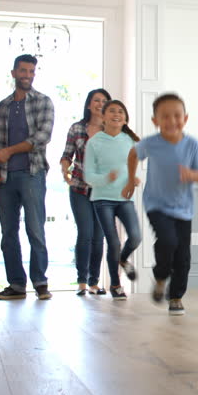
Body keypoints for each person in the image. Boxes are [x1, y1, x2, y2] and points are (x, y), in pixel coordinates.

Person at [125, 93, 198, 316]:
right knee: (168, 240)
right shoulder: (151, 143)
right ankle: (161, 277)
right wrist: (131, 179)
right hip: (156, 204)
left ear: (185, 118)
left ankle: (176, 296)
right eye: (165, 116)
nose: (171, 121)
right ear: (155, 121)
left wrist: (191, 174)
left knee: (183, 258)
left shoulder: (192, 145)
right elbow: (133, 155)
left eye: (177, 116)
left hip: (184, 209)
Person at [0, 54, 55, 300]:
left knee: (35, 229)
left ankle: (40, 283)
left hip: (32, 173)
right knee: (8, 233)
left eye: (31, 71)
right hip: (5, 178)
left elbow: (42, 137)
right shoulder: (3, 106)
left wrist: (10, 151)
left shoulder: (43, 102)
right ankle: (16, 285)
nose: (27, 75)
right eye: (23, 71)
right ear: (14, 73)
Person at [83, 100, 142, 301]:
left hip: (124, 198)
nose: (116, 114)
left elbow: (133, 168)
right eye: (112, 111)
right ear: (104, 116)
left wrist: (134, 179)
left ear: (125, 118)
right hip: (102, 199)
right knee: (114, 242)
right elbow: (88, 176)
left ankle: (123, 260)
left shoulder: (130, 141)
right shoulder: (94, 142)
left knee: (135, 237)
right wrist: (105, 178)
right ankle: (116, 285)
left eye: (120, 112)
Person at [61, 88, 111, 296]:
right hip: (80, 188)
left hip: (103, 191)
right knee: (85, 234)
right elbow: (67, 155)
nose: (100, 104)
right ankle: (81, 281)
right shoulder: (77, 128)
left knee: (98, 237)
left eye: (104, 101)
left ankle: (94, 282)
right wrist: (65, 171)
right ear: (89, 104)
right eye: (96, 100)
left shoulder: (114, 130)